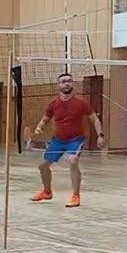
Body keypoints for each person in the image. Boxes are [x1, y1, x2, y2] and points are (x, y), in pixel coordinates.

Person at [30, 72, 103, 208]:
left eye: (69, 81)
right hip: (58, 140)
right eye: (63, 81)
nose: (67, 83)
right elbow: (45, 119)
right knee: (43, 166)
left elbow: (94, 118)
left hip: (75, 140)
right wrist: (39, 128)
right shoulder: (53, 104)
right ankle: (47, 192)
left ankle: (76, 195)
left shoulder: (80, 103)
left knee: (73, 161)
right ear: (58, 85)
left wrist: (100, 135)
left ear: (72, 84)